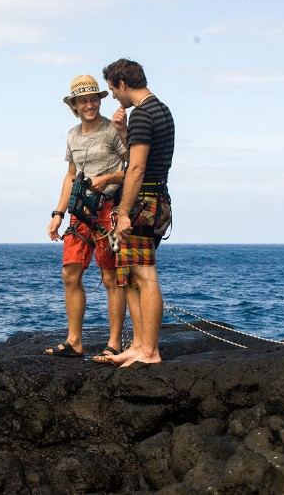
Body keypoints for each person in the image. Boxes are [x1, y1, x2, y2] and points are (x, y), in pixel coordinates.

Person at [45, 74, 128, 361]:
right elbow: (70, 175)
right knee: (70, 273)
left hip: (108, 210)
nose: (89, 104)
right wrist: (58, 212)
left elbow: (133, 168)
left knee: (110, 277)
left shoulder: (113, 130)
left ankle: (114, 343)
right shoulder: (72, 135)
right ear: (75, 106)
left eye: (93, 99)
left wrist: (107, 178)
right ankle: (74, 341)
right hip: (80, 211)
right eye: (83, 101)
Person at [101, 59, 175, 367]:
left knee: (144, 276)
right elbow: (141, 155)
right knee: (131, 276)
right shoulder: (159, 110)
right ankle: (139, 345)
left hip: (145, 202)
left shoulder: (144, 114)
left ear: (122, 83)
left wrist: (125, 212)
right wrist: (123, 130)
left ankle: (150, 351)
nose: (115, 98)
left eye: (113, 90)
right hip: (155, 199)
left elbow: (137, 168)